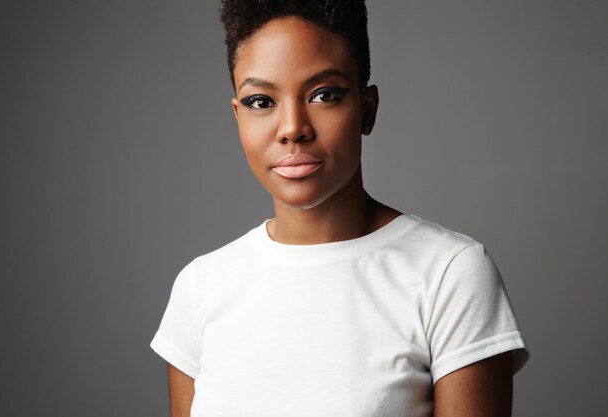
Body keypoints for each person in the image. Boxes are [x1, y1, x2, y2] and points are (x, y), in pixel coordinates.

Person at [150, 1, 530, 416]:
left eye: (323, 95)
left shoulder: (449, 274)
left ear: (366, 110)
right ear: (238, 117)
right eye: (261, 101)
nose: (293, 127)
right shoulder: (200, 286)